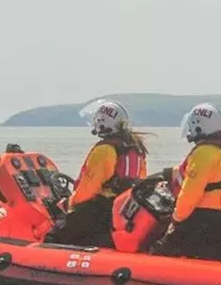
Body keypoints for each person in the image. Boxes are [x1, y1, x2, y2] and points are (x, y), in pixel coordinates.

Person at [153, 103, 221, 262]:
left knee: (158, 249)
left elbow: (189, 194)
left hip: (206, 223)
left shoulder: (205, 152)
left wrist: (175, 221)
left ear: (198, 127)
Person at [43, 99, 148, 248]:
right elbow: (140, 180)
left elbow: (88, 189)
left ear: (102, 122)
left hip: (100, 209)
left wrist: (68, 203)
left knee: (53, 236)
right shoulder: (135, 149)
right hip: (122, 210)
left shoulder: (104, 150)